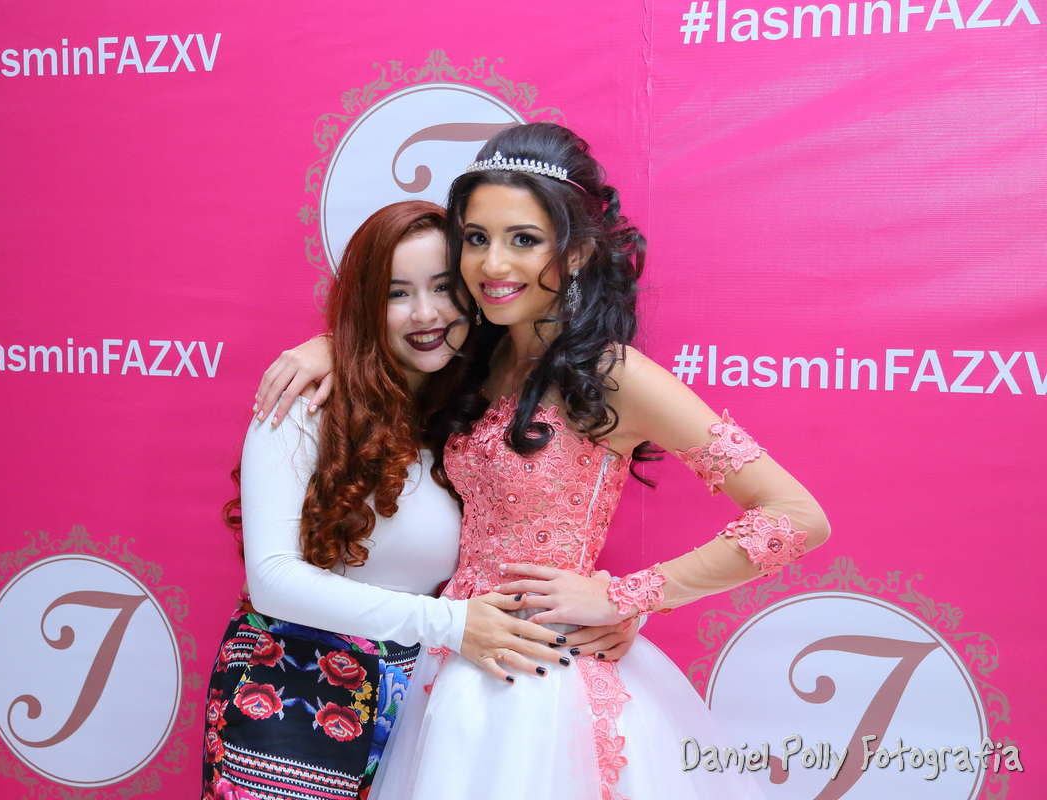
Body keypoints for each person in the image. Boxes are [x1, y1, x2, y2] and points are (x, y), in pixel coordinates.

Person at [255, 123, 831, 799]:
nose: (493, 264)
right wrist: (329, 345)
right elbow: (397, 331)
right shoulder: (476, 357)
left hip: (545, 680)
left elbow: (794, 516)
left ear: (577, 250)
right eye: (476, 238)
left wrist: (625, 598)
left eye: (523, 239)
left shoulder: (613, 373)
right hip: (451, 665)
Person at [203, 200, 639, 800]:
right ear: (365, 304)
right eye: (396, 293)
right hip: (289, 694)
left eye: (443, 287)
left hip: (423, 703)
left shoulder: (468, 415)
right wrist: (451, 624)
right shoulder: (307, 402)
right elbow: (274, 579)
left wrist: (605, 606)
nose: (426, 314)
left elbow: (515, 536)